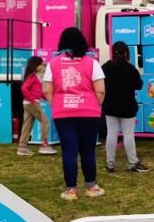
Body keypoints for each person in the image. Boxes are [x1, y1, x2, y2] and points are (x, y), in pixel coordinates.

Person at [43, 27, 106, 201]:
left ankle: (70, 190)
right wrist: (94, 106)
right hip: (89, 112)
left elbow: (47, 90)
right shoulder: (92, 63)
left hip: (63, 113)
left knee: (69, 151)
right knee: (87, 150)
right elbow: (100, 90)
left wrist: (56, 106)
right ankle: (91, 186)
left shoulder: (53, 63)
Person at [102, 41, 148, 172]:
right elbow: (138, 85)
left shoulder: (105, 67)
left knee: (111, 134)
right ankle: (133, 162)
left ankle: (110, 163)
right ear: (126, 53)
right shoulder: (130, 69)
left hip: (110, 106)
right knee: (128, 134)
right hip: (127, 106)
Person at [16, 56, 56, 156]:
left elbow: (38, 92)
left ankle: (22, 147)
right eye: (41, 65)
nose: (43, 67)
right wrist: (33, 99)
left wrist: (46, 97)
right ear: (36, 66)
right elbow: (24, 89)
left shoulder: (34, 76)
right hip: (32, 104)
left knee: (27, 125)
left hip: (28, 103)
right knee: (45, 121)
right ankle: (44, 145)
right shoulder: (32, 77)